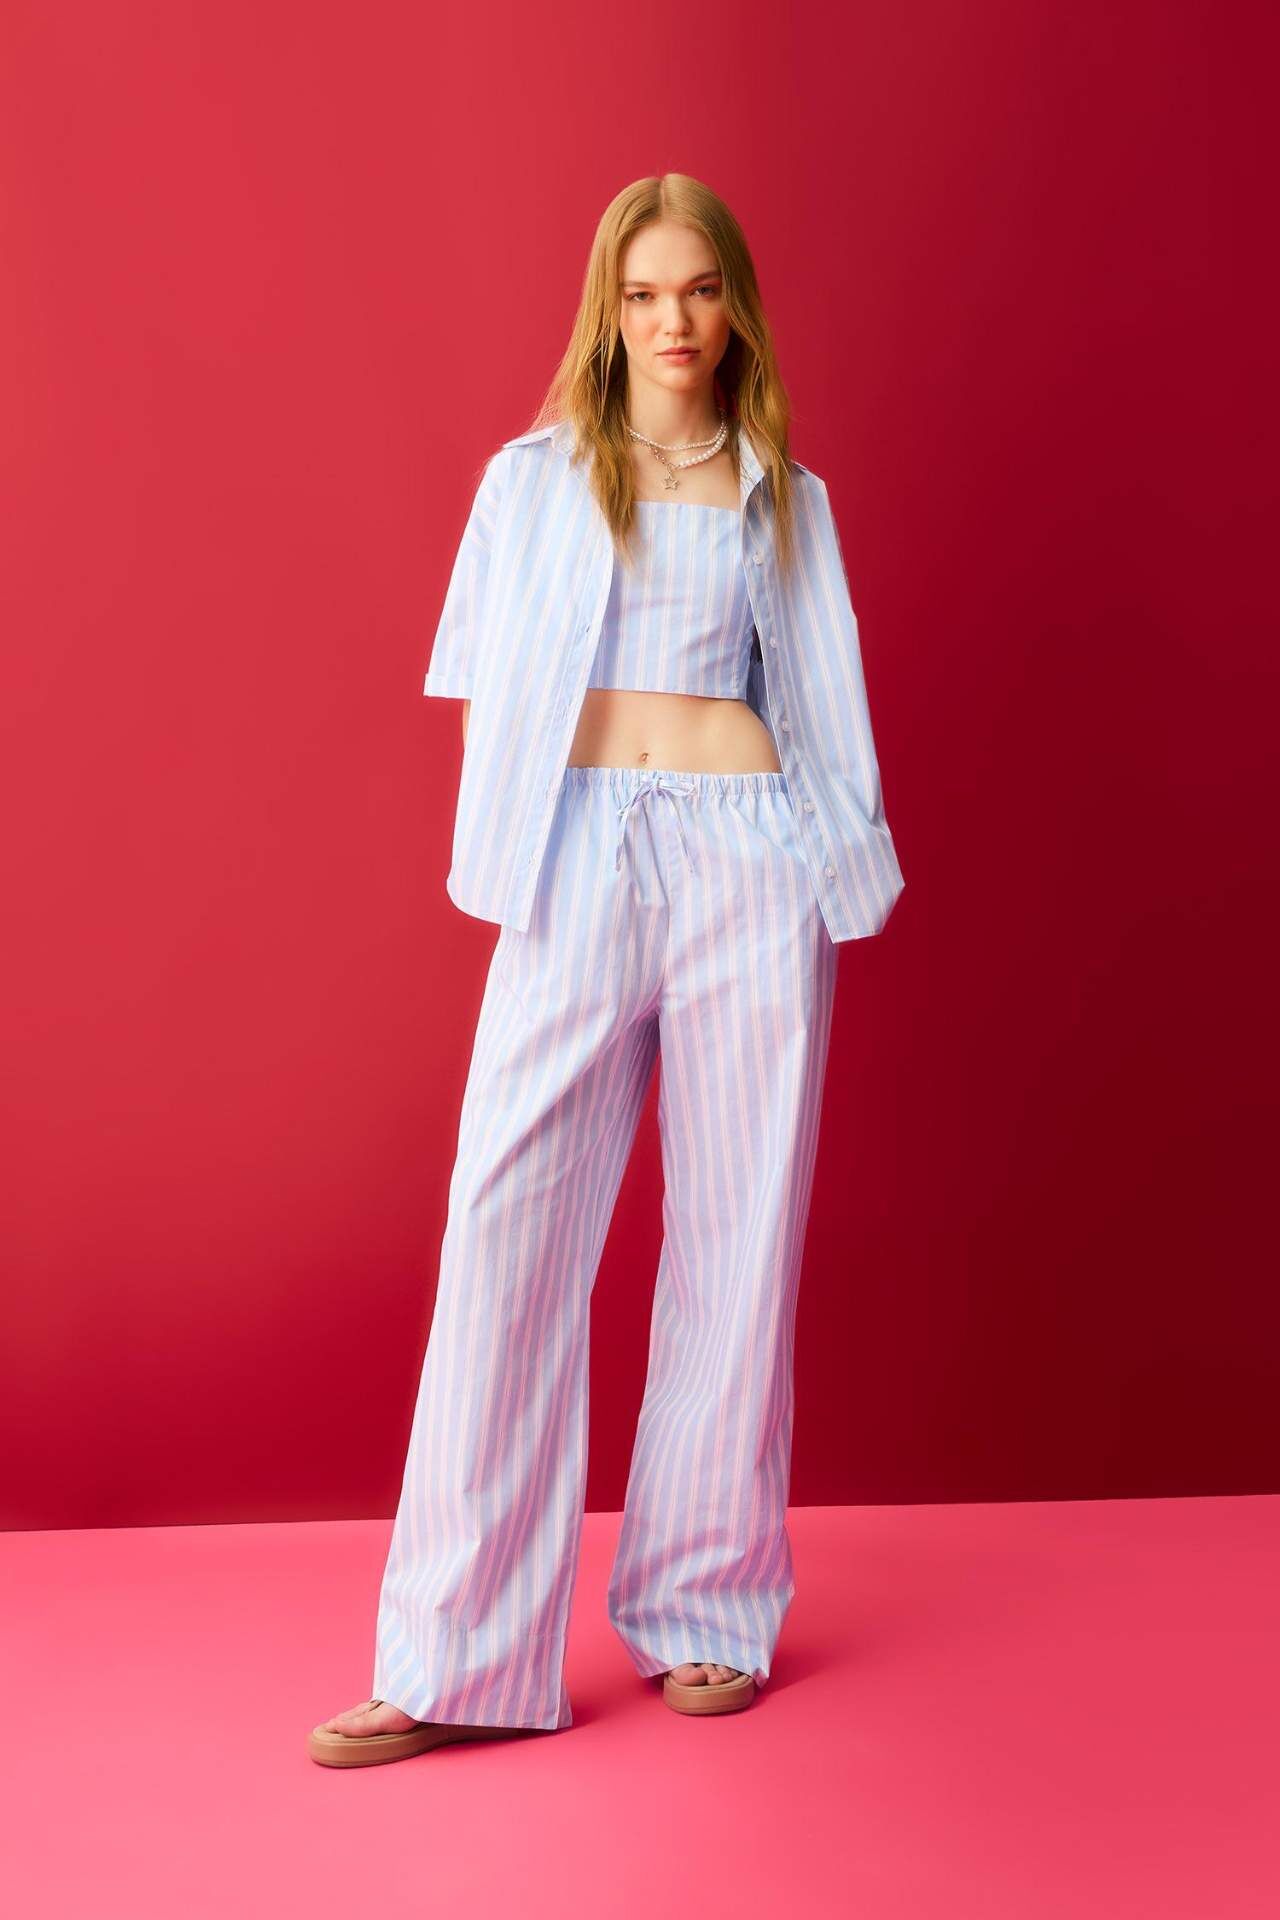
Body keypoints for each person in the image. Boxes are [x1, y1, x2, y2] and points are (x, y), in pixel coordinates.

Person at [308, 172, 904, 1767]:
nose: (671, 321)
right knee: (504, 1231)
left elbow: (823, 699)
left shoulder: (787, 497)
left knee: (736, 1237)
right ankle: (454, 1655)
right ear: (608, 309)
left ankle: (707, 1605)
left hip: (748, 863)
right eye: (643, 294)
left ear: (735, 307)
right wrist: (507, 850)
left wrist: (835, 875)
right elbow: (482, 686)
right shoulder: (530, 484)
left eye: (697, 289)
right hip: (576, 858)